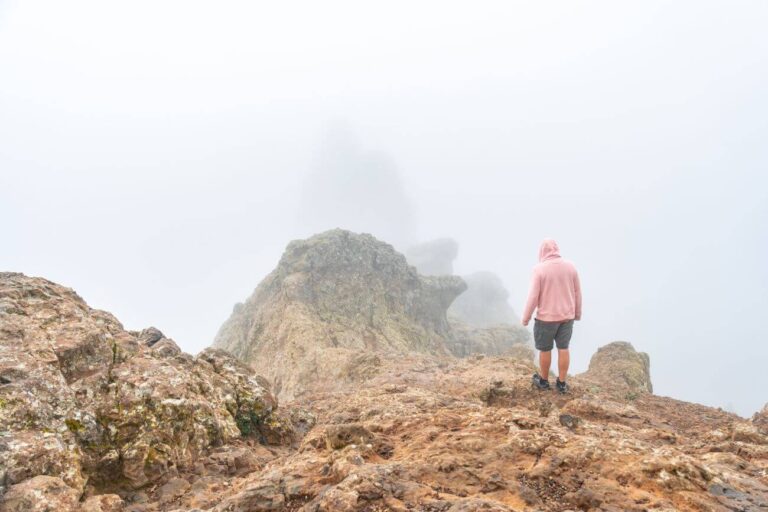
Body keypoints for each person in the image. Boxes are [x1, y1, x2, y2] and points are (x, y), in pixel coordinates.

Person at [522, 239, 581, 393]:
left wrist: (526, 318)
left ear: (542, 252)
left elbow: (533, 296)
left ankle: (544, 381)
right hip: (567, 318)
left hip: (546, 319)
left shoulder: (539, 269)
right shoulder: (571, 267)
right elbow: (577, 292)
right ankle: (561, 384)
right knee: (563, 348)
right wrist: (577, 313)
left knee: (545, 349)